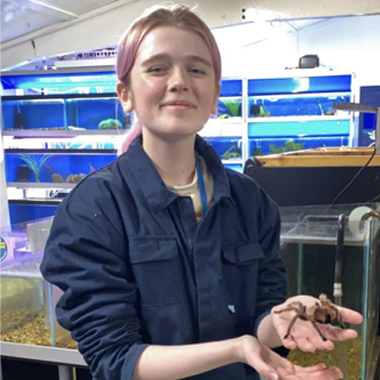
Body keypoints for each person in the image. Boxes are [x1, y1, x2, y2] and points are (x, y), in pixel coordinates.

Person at [40, 4, 362, 380]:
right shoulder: (95, 208)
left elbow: (263, 320)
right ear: (125, 93)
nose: (179, 81)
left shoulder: (250, 202)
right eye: (158, 68)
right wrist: (236, 348)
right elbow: (116, 359)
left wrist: (286, 317)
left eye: (196, 69)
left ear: (214, 96)